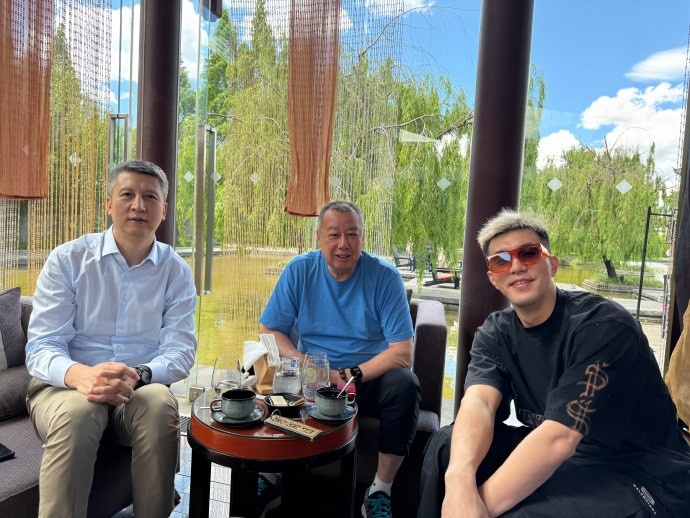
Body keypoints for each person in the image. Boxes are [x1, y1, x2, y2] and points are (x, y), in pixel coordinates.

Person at [418, 208, 690, 518]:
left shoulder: (604, 326)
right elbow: (479, 402)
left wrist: (476, 508)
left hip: (636, 472)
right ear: (493, 278)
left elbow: (560, 438)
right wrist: (459, 482)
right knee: (446, 445)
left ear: (553, 264)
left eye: (529, 253)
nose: (516, 266)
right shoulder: (496, 331)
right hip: (568, 461)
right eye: (501, 261)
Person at [25, 160, 197, 518]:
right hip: (64, 387)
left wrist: (140, 374)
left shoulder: (176, 272)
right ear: (108, 204)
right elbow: (42, 346)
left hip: (136, 390)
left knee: (160, 404)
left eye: (150, 197)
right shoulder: (69, 260)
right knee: (79, 413)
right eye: (127, 194)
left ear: (164, 210)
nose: (138, 205)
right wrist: (82, 376)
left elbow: (180, 351)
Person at [259, 201, 420, 518]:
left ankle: (379, 491)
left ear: (362, 238)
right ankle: (271, 476)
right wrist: (305, 362)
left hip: (366, 378)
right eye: (334, 234)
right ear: (319, 237)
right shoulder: (300, 270)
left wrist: (347, 374)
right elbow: (269, 331)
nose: (343, 244)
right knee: (276, 374)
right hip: (311, 375)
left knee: (405, 384)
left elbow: (403, 352)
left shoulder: (384, 277)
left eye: (352, 234)